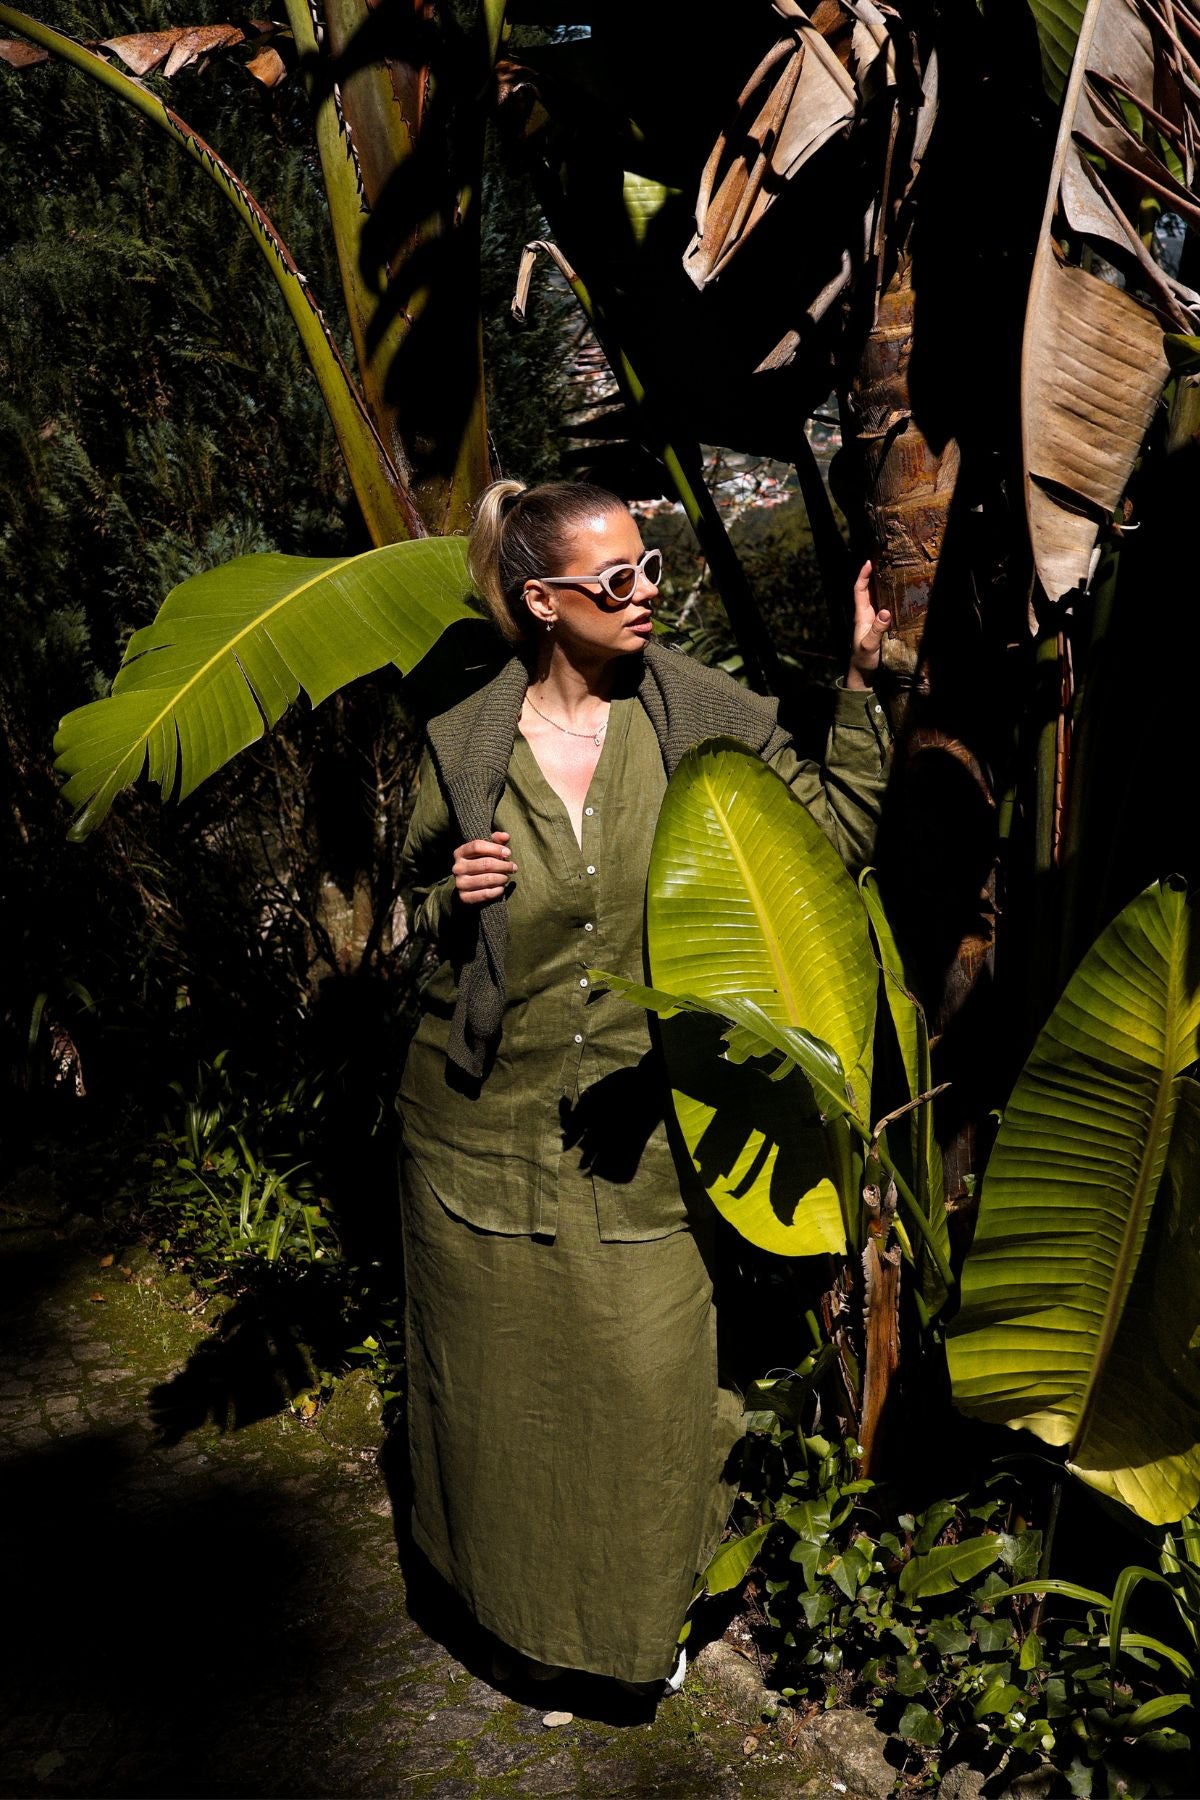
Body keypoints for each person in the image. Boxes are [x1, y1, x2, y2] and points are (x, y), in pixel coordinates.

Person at [397, 478, 892, 1695]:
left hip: (649, 1138)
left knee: (647, 1378)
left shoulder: (703, 721)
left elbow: (831, 843)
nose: (644, 594)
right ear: (541, 602)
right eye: (614, 579)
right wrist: (450, 897)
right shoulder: (465, 744)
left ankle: (629, 1629)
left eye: (650, 567)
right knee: (493, 1389)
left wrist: (861, 683)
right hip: (479, 1129)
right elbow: (410, 919)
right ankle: (501, 1611)